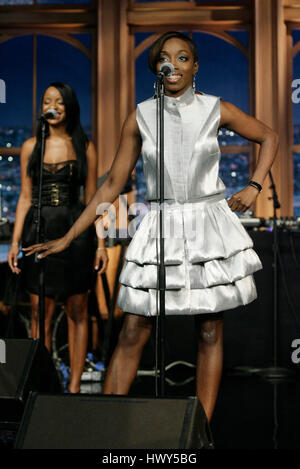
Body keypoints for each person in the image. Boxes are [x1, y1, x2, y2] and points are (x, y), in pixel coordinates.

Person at [23, 32, 278, 420]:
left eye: (182, 58)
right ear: (155, 67)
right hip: (160, 223)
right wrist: (69, 236)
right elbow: (111, 184)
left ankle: (200, 431)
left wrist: (254, 187)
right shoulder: (141, 115)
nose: (172, 64)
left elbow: (269, 136)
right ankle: (106, 426)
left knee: (209, 330)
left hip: (207, 223)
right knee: (133, 329)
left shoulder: (216, 108)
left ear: (195, 67)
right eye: (165, 58)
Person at [8, 82, 108, 393]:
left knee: (78, 309)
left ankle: (75, 388)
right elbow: (24, 198)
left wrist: (101, 243)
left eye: (59, 101)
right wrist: (14, 243)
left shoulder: (84, 146)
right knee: (40, 312)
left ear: (69, 107)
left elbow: (93, 198)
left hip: (74, 230)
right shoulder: (29, 147)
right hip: (39, 231)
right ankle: (44, 385)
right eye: (47, 100)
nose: (52, 105)